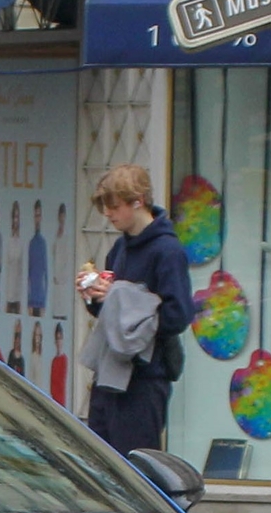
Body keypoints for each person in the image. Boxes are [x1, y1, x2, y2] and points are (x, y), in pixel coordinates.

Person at [76, 164, 194, 455]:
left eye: (114, 206)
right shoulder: (119, 249)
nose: (108, 214)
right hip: (110, 371)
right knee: (102, 462)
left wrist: (124, 302)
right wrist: (95, 297)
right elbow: (107, 314)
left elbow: (178, 315)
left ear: (138, 201)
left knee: (138, 466)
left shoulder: (167, 251)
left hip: (145, 376)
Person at [26, 199, 50, 316]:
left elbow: (46, 275)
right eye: (35, 215)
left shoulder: (43, 243)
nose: (37, 219)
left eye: (39, 215)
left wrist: (44, 303)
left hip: (41, 300)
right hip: (31, 299)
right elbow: (28, 274)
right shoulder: (31, 243)